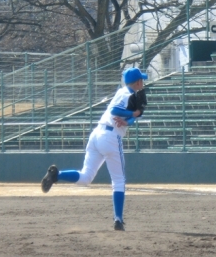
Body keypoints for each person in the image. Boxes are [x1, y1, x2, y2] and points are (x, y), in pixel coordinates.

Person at [40, 67, 148, 230]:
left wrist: (129, 119)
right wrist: (133, 114)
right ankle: (118, 220)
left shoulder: (122, 92)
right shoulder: (128, 94)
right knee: (118, 181)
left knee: (86, 177)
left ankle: (57, 175)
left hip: (97, 134)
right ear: (138, 81)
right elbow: (115, 110)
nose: (143, 82)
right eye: (142, 79)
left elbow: (127, 116)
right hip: (111, 137)